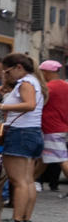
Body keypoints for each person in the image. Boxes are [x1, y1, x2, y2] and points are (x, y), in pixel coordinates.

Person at [0, 51, 42, 222]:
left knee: (19, 181)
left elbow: (29, 104)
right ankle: (24, 220)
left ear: (18, 68)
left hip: (21, 133)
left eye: (7, 72)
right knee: (27, 180)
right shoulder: (33, 81)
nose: (5, 76)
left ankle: (17, 221)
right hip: (31, 132)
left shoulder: (26, 83)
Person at [39, 59, 68, 189]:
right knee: (42, 160)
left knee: (62, 159)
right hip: (62, 126)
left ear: (46, 72)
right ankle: (29, 183)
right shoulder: (65, 85)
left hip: (51, 127)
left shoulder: (48, 88)